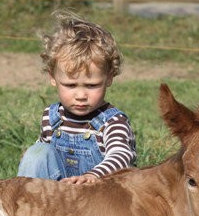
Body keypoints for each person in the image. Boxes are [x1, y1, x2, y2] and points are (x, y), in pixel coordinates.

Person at [17, 11, 136, 184]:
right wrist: (30, 158)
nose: (81, 96)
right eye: (70, 85)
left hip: (99, 198)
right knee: (37, 152)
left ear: (109, 78)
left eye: (92, 85)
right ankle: (22, 206)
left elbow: (121, 156)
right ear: (53, 78)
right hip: (60, 195)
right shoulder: (52, 118)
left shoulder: (112, 122)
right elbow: (44, 152)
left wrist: (94, 175)